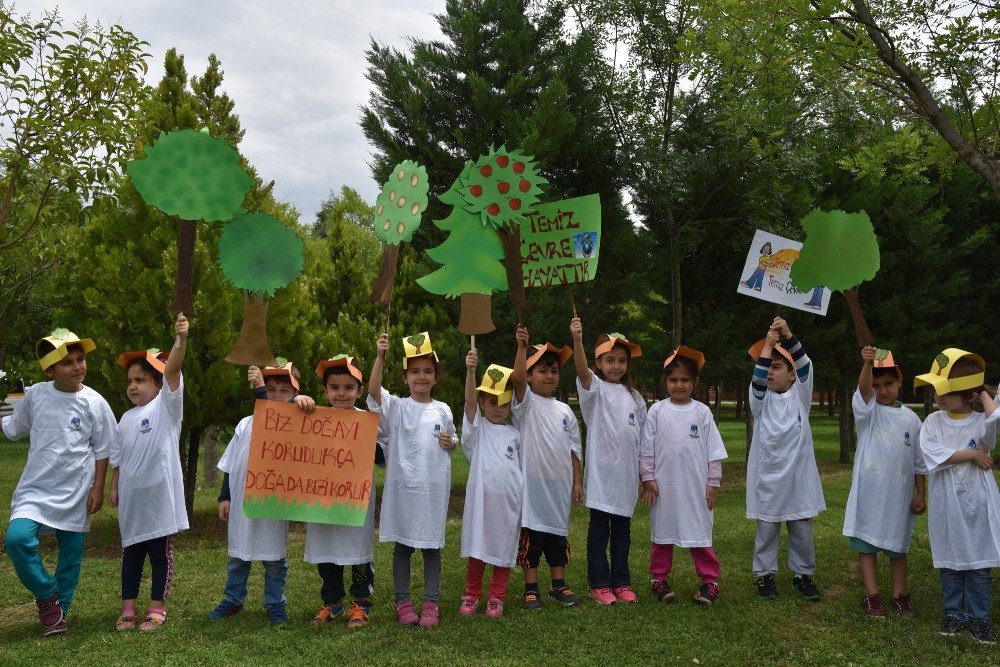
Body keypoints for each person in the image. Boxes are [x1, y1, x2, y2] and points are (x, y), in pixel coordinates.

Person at [2, 328, 118, 636]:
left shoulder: (94, 402)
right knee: (16, 540)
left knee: (70, 557)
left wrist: (97, 488)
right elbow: (14, 429)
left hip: (77, 490)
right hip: (35, 489)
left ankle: (57, 613)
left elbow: (104, 448)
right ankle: (47, 595)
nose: (78, 367)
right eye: (68, 363)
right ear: (51, 369)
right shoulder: (37, 395)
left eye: (81, 360)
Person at [209, 361, 315, 627]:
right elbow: (231, 462)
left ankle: (275, 602)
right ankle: (233, 598)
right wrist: (225, 496)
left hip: (273, 504)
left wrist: (304, 401)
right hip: (242, 501)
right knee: (238, 556)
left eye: (284, 390)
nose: (276, 396)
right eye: (270, 389)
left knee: (274, 559)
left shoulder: (295, 423)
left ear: (294, 394)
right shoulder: (245, 423)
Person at [367, 331, 457, 628]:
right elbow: (374, 391)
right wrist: (380, 356)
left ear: (435, 377)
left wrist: (451, 443)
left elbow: (453, 438)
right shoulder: (397, 407)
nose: (422, 377)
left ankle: (431, 602)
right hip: (404, 491)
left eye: (428, 371)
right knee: (403, 547)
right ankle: (403, 602)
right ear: (405, 377)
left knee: (432, 548)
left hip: (432, 491)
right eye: (415, 371)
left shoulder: (442, 409)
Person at [109, 314, 191, 631]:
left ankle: (157, 607)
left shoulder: (166, 408)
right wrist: (114, 487)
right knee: (131, 555)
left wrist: (179, 341)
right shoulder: (126, 418)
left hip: (159, 499)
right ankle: (127, 607)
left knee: (159, 554)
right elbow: (118, 457)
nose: (133, 385)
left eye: (141, 380)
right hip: (132, 500)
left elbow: (173, 369)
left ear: (158, 385)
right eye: (130, 380)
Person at [916, 349, 1000, 644]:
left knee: (978, 564)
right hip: (947, 504)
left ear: (969, 396)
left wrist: (982, 391)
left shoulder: (980, 422)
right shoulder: (934, 422)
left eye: (947, 390)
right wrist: (973, 455)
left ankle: (979, 618)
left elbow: (996, 421)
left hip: (977, 504)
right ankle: (953, 612)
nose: (939, 394)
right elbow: (935, 454)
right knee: (950, 561)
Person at [842, 346, 925, 619]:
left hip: (899, 497)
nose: (883, 390)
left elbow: (918, 462)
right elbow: (864, 390)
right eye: (877, 385)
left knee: (897, 548)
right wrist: (867, 365)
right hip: (869, 494)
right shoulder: (868, 414)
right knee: (866, 546)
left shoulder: (911, 419)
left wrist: (921, 493)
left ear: (900, 381)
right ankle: (872, 596)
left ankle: (900, 596)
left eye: (889, 383)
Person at [640, 346, 727, 606]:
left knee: (698, 533)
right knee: (662, 535)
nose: (679, 385)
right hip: (663, 487)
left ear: (695, 383)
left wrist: (713, 483)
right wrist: (647, 477)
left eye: (685, 380)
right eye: (673, 380)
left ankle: (709, 582)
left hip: (695, 488)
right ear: (665, 382)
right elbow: (646, 449)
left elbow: (714, 451)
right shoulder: (657, 411)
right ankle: (659, 579)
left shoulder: (702, 412)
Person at [746, 317, 825, 601]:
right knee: (767, 530)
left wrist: (789, 335)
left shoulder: (801, 397)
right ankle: (764, 576)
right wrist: (768, 347)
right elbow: (757, 378)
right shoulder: (760, 401)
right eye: (768, 366)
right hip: (768, 478)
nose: (770, 372)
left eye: (777, 367)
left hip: (799, 479)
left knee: (801, 531)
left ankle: (803, 574)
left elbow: (806, 365)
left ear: (792, 375)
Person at [571, 318, 647, 604]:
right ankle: (599, 583)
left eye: (622, 361)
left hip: (625, 480)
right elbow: (581, 370)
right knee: (600, 533)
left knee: (623, 535)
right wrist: (577, 340)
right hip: (602, 480)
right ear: (598, 363)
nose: (616, 366)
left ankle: (622, 581)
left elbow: (643, 439)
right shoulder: (596, 391)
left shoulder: (635, 397)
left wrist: (644, 476)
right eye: (609, 360)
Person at [307, 355, 383, 629]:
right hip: (323, 501)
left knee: (358, 551)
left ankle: (360, 603)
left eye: (349, 388)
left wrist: (368, 442)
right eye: (335, 387)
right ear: (325, 390)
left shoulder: (368, 421)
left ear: (360, 391)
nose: (341, 394)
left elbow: (383, 456)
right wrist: (300, 401)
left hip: (355, 501)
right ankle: (332, 600)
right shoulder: (314, 416)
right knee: (326, 551)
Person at [511, 324, 583, 610]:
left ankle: (558, 585)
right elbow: (515, 379)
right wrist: (520, 348)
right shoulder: (525, 405)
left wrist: (577, 481)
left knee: (557, 538)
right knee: (533, 540)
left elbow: (574, 449)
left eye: (553, 371)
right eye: (542, 370)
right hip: (532, 487)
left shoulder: (565, 410)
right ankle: (531, 588)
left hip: (558, 487)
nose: (549, 375)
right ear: (529, 376)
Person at [458, 350, 522, 619]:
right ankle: (472, 595)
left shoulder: (515, 433)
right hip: (482, 504)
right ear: (483, 401)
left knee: (502, 550)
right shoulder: (477, 429)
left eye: (504, 403)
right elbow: (469, 404)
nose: (499, 408)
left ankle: (497, 597)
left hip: (508, 505)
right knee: (478, 550)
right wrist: (471, 372)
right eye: (492, 402)